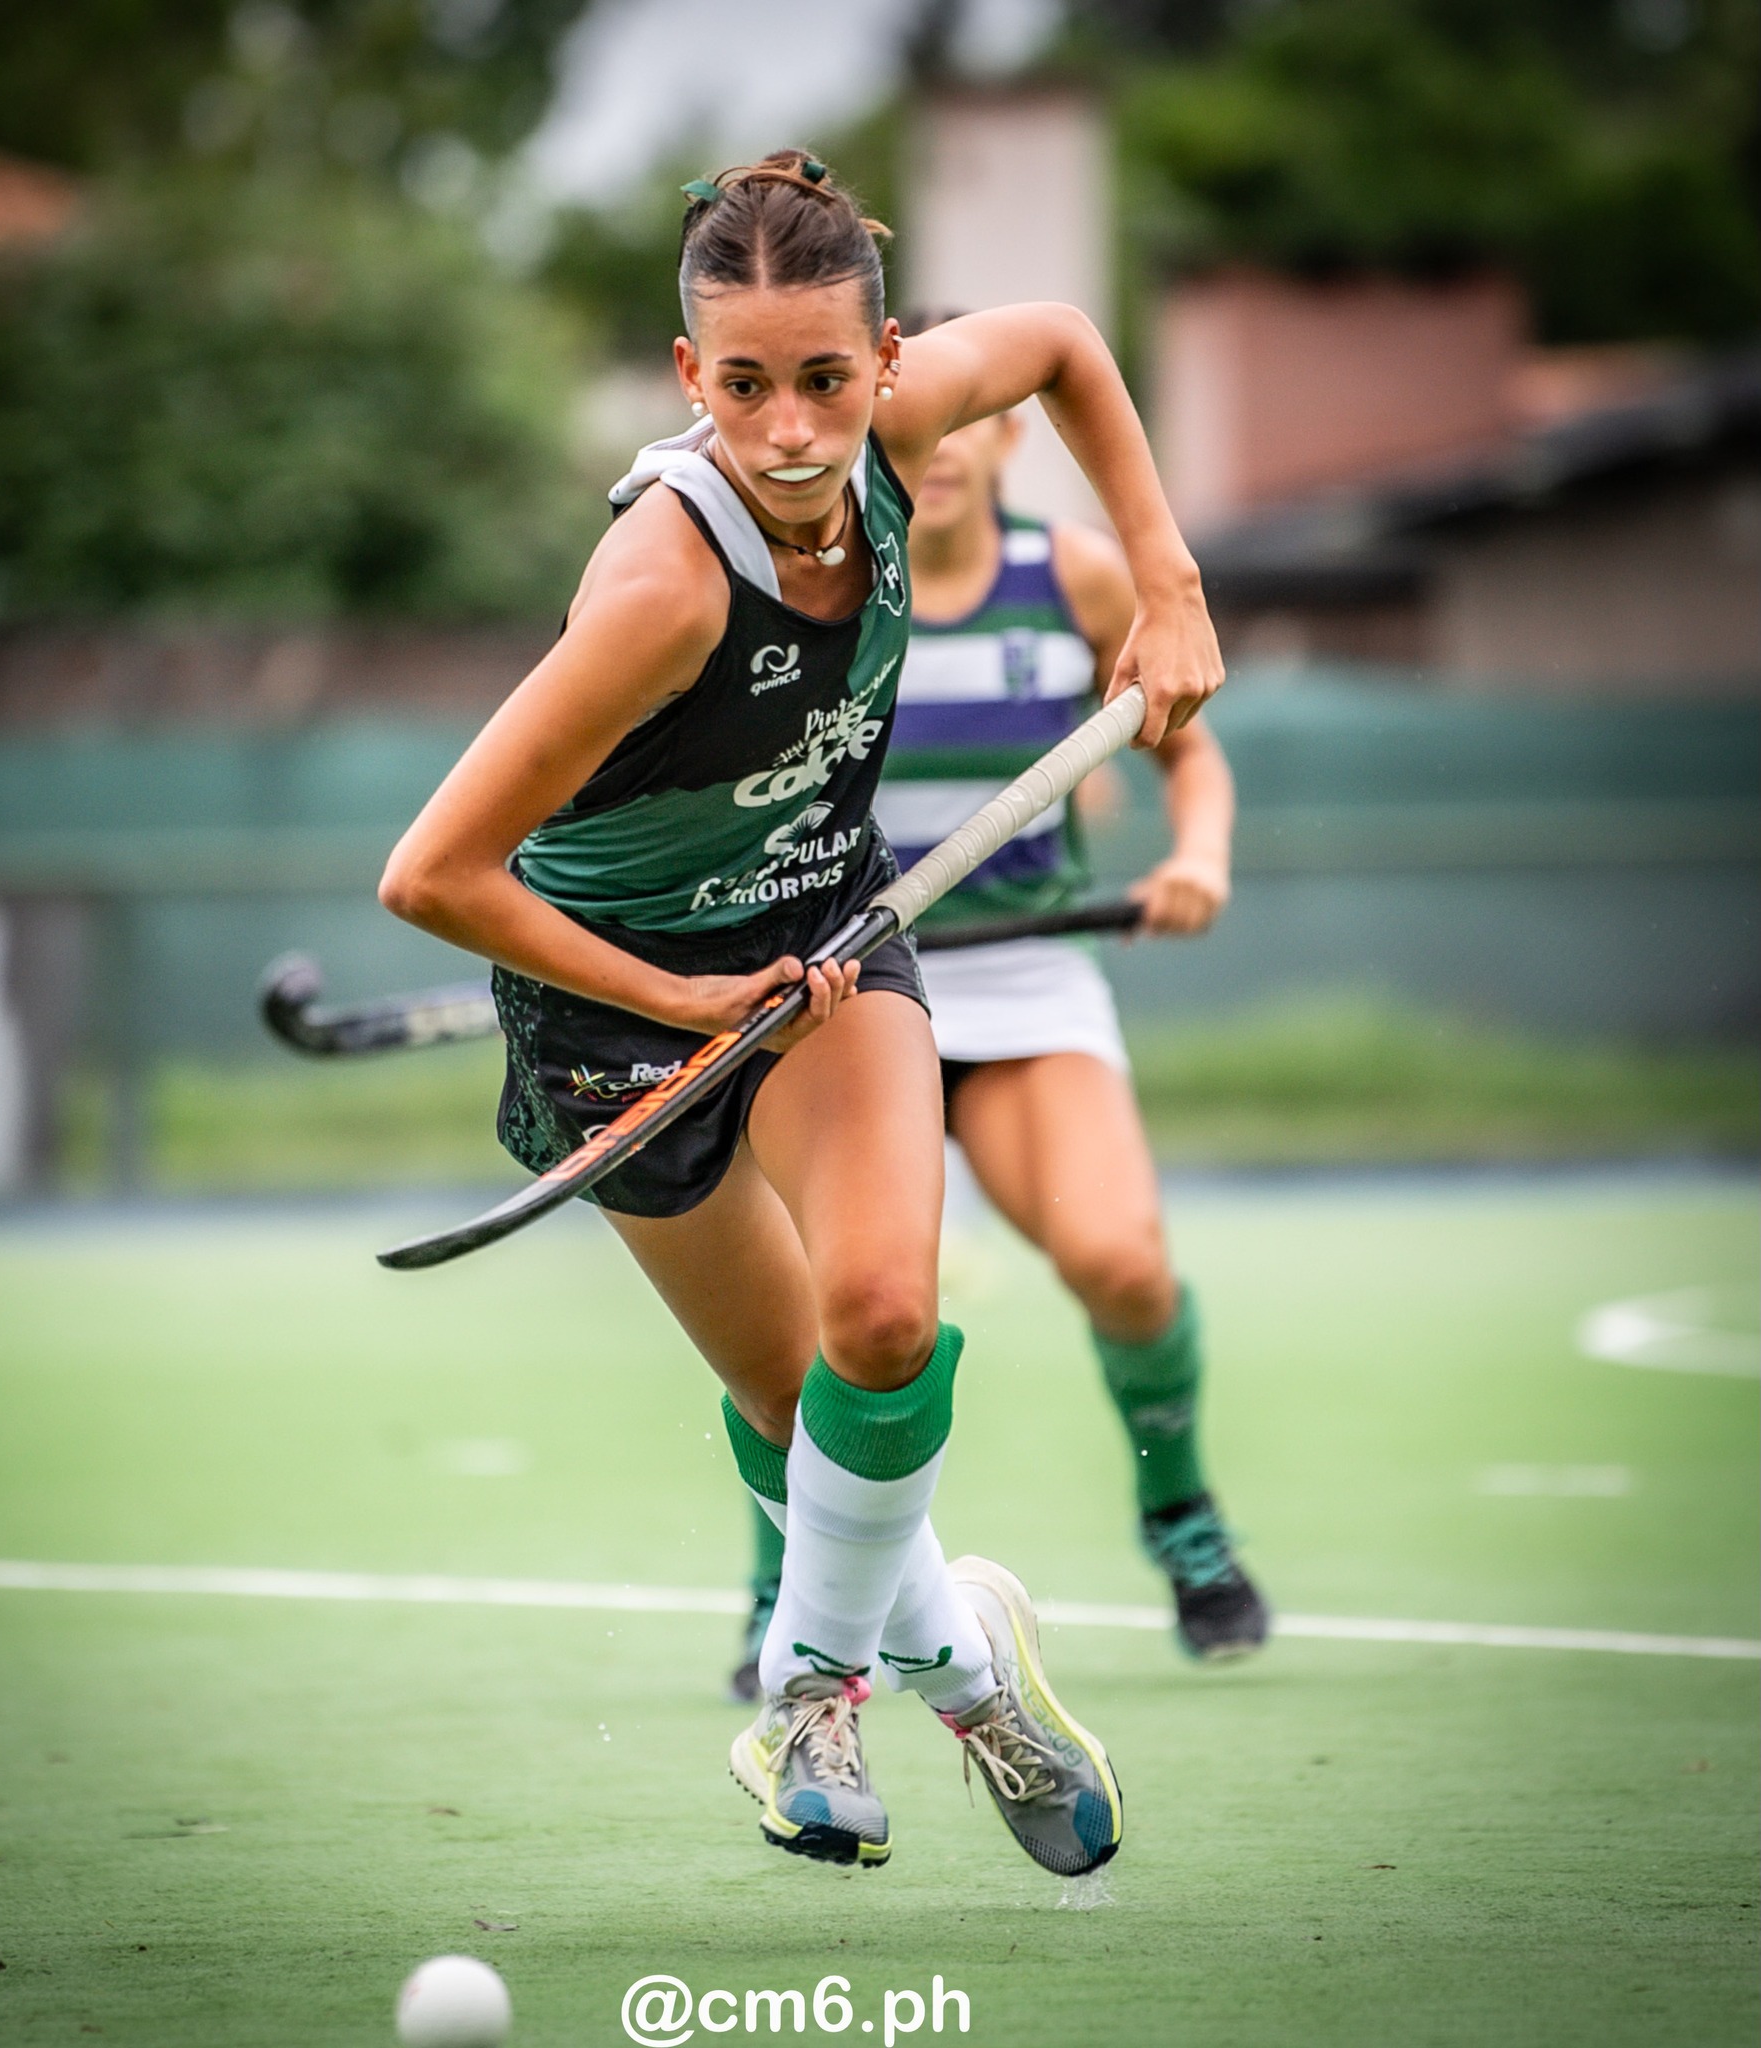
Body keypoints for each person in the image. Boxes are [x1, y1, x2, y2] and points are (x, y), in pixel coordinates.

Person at [378, 152, 1223, 1877]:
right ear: (690, 380)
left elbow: (1064, 336)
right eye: (744, 386)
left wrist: (1168, 579)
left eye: (828, 380)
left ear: (886, 361)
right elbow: (436, 873)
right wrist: (680, 994)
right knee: (791, 1416)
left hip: (829, 945)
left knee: (885, 1325)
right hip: (614, 1009)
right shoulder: (663, 590)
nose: (787, 429)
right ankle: (964, 1667)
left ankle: (808, 1691)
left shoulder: (907, 444)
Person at [728, 339, 1267, 1705]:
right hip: (842, 1006)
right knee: (810, 1324)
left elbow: (1184, 745)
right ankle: (782, 1587)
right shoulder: (812, 585)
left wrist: (1196, 853)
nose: (949, 442)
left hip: (1022, 993)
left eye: (980, 419)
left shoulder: (1074, 575)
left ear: (1011, 440)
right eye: (932, 421)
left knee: (1124, 1263)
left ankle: (1182, 1515)